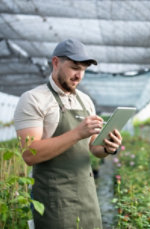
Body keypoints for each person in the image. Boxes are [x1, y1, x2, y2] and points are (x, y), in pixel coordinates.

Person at [14, 39, 122, 229]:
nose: (79, 75)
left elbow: (93, 148)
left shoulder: (85, 101)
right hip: (55, 199)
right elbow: (30, 154)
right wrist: (77, 132)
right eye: (74, 67)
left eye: (84, 70)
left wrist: (107, 147)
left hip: (87, 195)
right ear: (55, 62)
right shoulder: (33, 99)